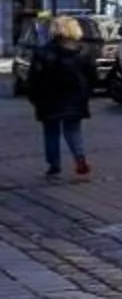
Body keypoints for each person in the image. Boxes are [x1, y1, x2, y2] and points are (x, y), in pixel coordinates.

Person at [22, 15, 93, 180]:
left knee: (51, 131)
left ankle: (54, 165)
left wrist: (34, 96)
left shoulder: (43, 52)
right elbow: (91, 76)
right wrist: (86, 93)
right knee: (73, 130)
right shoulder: (82, 52)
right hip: (75, 98)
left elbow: (34, 77)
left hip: (49, 98)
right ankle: (80, 157)